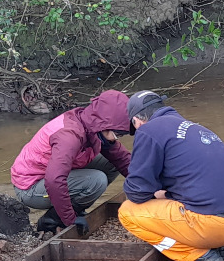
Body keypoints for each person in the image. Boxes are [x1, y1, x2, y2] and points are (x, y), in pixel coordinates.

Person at [118, 91, 224, 261]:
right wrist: (166, 193)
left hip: (215, 226)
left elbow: (136, 191)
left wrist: (154, 193)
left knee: (127, 212)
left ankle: (197, 256)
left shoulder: (148, 130)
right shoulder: (193, 127)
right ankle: (217, 248)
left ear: (137, 120)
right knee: (182, 200)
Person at [10, 89, 132, 234]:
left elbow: (123, 160)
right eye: (117, 134)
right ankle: (51, 221)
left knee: (110, 162)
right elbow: (54, 180)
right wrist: (70, 219)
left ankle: (75, 208)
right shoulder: (69, 136)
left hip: (53, 173)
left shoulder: (91, 124)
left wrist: (149, 187)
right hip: (30, 186)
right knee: (96, 181)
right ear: (103, 125)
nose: (117, 138)